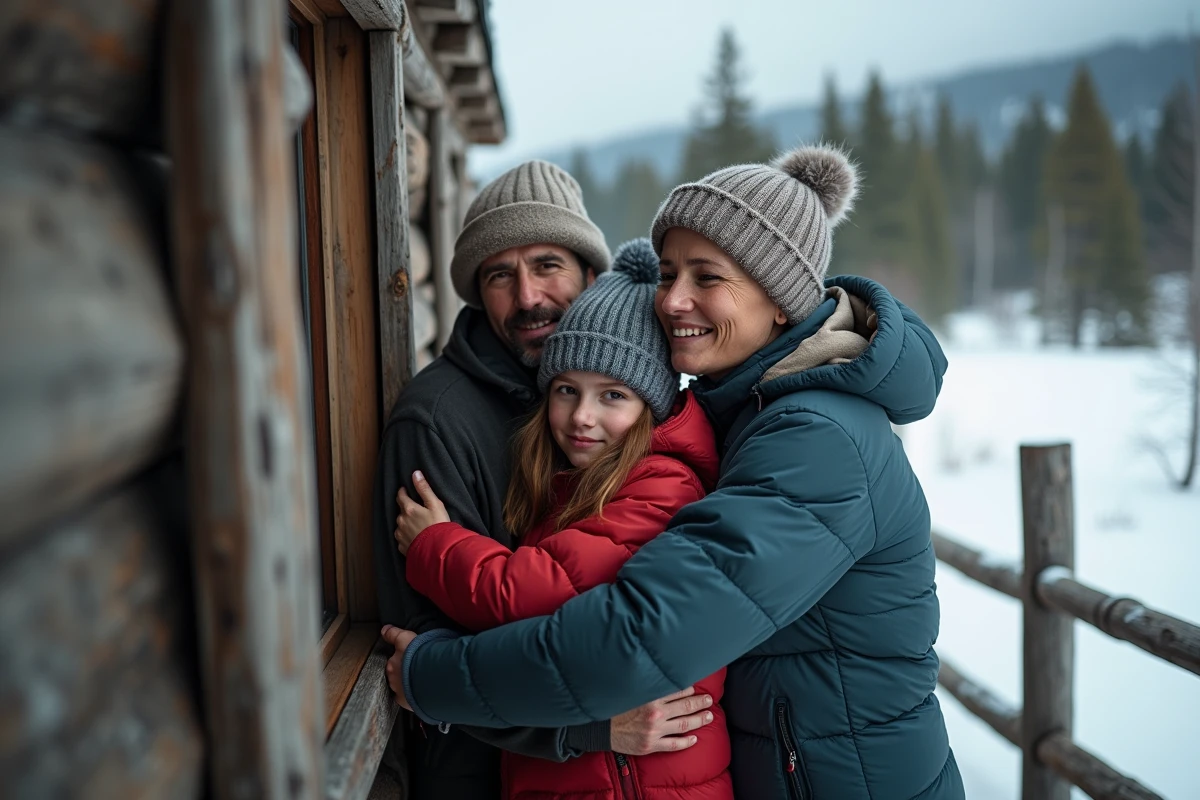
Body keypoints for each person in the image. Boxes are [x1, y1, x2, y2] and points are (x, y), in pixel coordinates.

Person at [382, 143, 965, 799]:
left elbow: (638, 635)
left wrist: (437, 677)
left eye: (706, 278)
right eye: (667, 274)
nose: (673, 300)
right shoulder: (749, 414)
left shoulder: (817, 442)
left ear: (779, 300)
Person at [372, 161, 715, 800]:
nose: (528, 296)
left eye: (547, 265)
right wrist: (586, 722)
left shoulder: (632, 421)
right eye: (500, 274)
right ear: (477, 292)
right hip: (483, 775)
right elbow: (422, 641)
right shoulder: (438, 421)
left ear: (591, 275)